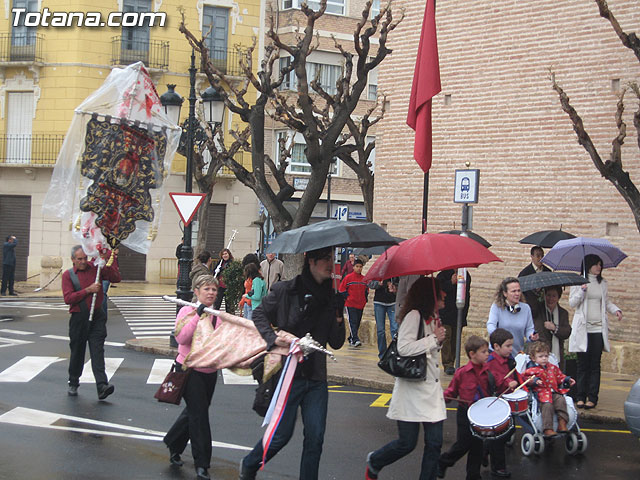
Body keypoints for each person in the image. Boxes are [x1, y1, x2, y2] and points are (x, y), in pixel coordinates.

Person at [239, 246, 346, 480]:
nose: (330, 264)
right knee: (281, 435)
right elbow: (259, 315)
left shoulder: (331, 297)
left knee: (316, 437)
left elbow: (336, 342)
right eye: (325, 259)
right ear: (311, 262)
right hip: (289, 373)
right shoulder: (287, 290)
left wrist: (339, 313)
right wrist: (272, 338)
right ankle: (249, 464)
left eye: (332, 259)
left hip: (316, 377)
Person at [365, 276, 447, 480]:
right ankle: (375, 461)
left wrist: (437, 340)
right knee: (407, 443)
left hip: (431, 390)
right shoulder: (414, 316)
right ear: (431, 295)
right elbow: (404, 347)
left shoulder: (434, 317)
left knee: (435, 443)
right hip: (412, 390)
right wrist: (433, 339)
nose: (445, 294)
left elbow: (431, 350)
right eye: (440, 291)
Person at [163, 275, 220, 480]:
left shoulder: (218, 315)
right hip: (188, 369)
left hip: (210, 371)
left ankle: (173, 441)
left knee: (196, 411)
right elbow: (181, 338)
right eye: (206, 289)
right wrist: (197, 316)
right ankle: (202, 464)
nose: (211, 293)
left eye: (214, 289)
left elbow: (221, 342)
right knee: (199, 416)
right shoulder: (186, 311)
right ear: (196, 292)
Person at [61, 245, 121, 399]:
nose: (83, 262)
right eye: (79, 259)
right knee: (77, 351)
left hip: (97, 317)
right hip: (79, 318)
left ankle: (102, 385)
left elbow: (115, 278)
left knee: (97, 351)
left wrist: (107, 259)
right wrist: (87, 290)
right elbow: (68, 298)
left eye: (85, 258)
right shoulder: (68, 275)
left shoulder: (96, 268)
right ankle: (73, 382)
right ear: (73, 259)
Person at [568, 254, 622, 409]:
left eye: (600, 265)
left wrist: (616, 310)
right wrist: (582, 292)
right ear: (588, 266)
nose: (599, 267)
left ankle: (592, 397)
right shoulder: (578, 282)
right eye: (596, 264)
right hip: (583, 329)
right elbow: (572, 303)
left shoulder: (602, 283)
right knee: (582, 365)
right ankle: (580, 396)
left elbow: (606, 302)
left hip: (598, 329)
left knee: (595, 365)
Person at [438, 336, 492, 480]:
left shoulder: (488, 371)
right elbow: (452, 391)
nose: (488, 354)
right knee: (463, 444)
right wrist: (442, 398)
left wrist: (509, 383)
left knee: (477, 447)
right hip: (465, 412)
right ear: (472, 354)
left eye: (487, 351)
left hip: (481, 413)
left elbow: (498, 384)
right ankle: (444, 461)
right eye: (484, 351)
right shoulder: (462, 372)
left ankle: (473, 475)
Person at [485, 328, 519, 478]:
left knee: (510, 430)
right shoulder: (491, 361)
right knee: (499, 435)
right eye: (508, 346)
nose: (511, 349)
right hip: (496, 400)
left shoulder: (509, 359)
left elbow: (515, 374)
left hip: (507, 400)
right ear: (496, 346)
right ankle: (498, 468)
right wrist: (508, 382)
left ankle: (485, 449)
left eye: (511, 345)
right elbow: (495, 378)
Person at [524, 341, 576, 437]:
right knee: (547, 406)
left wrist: (567, 379)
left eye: (546, 356)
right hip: (541, 394)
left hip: (554, 391)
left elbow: (560, 376)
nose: (544, 358)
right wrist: (535, 380)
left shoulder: (552, 368)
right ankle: (548, 428)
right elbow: (525, 379)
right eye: (541, 356)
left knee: (561, 400)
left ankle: (562, 422)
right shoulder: (531, 370)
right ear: (533, 358)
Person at [487, 277, 539, 355]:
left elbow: (529, 329)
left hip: (517, 353)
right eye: (513, 291)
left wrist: (531, 336)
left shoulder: (526, 308)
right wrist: (498, 337)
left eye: (518, 291)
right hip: (498, 353)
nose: (517, 294)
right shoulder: (496, 307)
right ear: (505, 293)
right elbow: (490, 325)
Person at [436, 269, 471, 375]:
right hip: (445, 312)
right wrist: (450, 283)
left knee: (455, 339)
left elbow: (466, 292)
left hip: (458, 313)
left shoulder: (465, 274)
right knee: (446, 337)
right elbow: (439, 289)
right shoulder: (443, 274)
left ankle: (453, 361)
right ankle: (447, 364)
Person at [533, 285, 571, 369]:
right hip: (540, 355)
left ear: (558, 297)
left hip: (557, 355)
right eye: (548, 295)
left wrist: (554, 328)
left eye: (554, 296)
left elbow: (567, 332)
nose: (551, 299)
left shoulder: (563, 313)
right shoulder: (538, 310)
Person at [338, 258, 368, 347]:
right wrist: (348, 297)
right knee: (352, 322)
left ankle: (351, 338)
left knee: (357, 322)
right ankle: (355, 339)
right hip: (350, 304)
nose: (359, 268)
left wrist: (365, 299)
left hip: (360, 304)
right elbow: (341, 289)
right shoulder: (348, 278)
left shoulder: (364, 279)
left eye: (360, 267)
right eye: (357, 266)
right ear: (353, 267)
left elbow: (366, 290)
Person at [518, 246, 551, 316]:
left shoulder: (548, 272)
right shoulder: (525, 273)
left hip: (546, 309)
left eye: (542, 256)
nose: (541, 258)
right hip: (530, 309)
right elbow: (520, 292)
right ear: (532, 256)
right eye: (538, 256)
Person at [372, 278, 399, 359]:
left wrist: (394, 286)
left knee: (395, 329)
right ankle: (382, 354)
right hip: (379, 302)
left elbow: (400, 284)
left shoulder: (395, 271)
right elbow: (370, 283)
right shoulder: (378, 270)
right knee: (381, 330)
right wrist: (379, 284)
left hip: (392, 302)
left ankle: (395, 353)